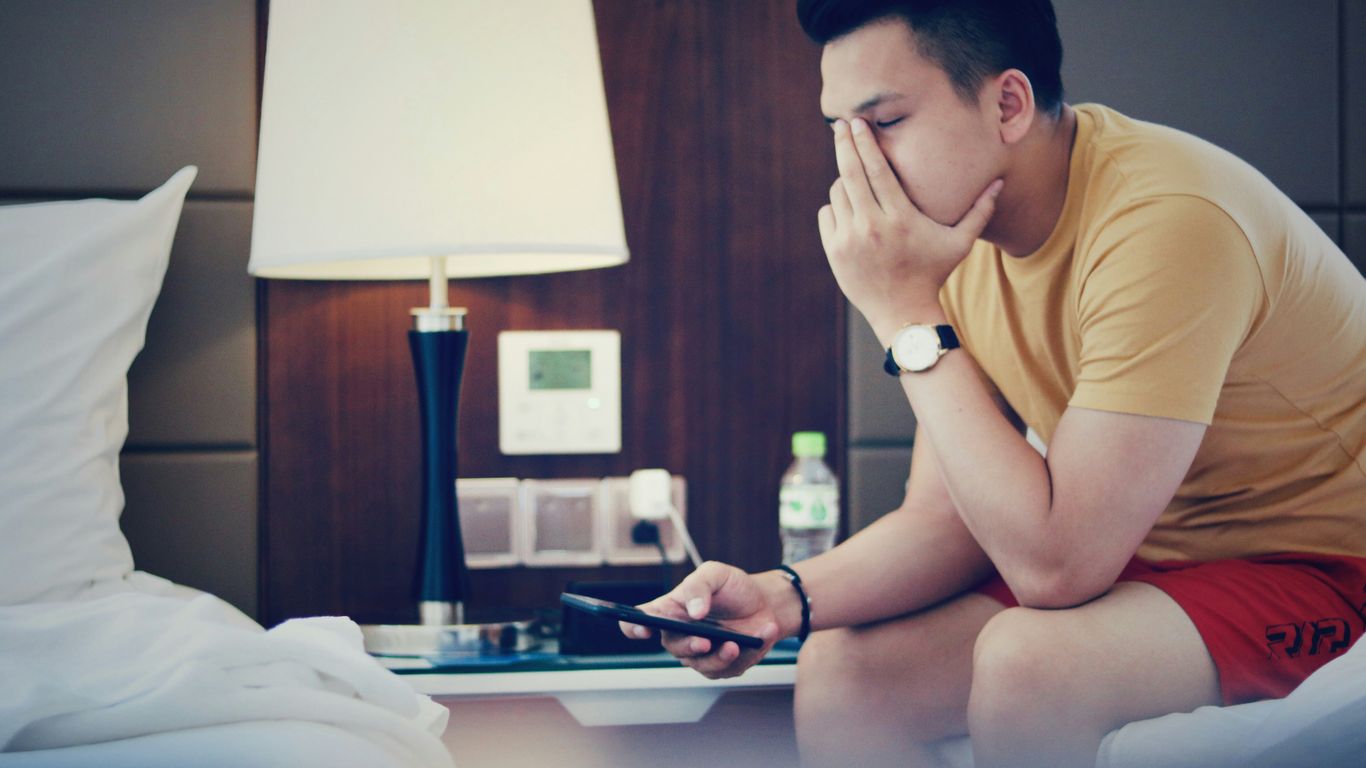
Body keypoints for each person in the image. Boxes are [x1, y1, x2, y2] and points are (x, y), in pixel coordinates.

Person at [620, 1, 1366, 766]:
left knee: (1031, 661)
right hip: (1156, 559)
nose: (856, 167)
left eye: (885, 122)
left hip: (1326, 568)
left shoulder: (1167, 222)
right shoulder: (955, 239)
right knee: (846, 670)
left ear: (1008, 104)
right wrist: (779, 597)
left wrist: (904, 314)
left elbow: (1056, 566)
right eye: (838, 131)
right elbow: (945, 521)